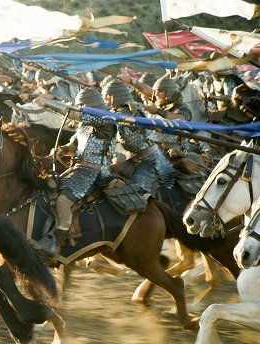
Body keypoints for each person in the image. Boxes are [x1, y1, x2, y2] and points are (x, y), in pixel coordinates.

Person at [35, 88, 118, 252]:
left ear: (91, 105)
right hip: (78, 168)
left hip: (94, 173)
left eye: (82, 105)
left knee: (63, 200)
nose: (79, 108)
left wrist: (48, 104)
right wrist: (63, 150)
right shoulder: (85, 125)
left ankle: (56, 244)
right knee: (48, 187)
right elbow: (74, 146)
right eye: (79, 105)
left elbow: (75, 114)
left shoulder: (106, 121)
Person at [103, 80, 177, 194]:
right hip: (136, 158)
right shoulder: (126, 110)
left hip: (148, 160)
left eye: (106, 97)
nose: (104, 100)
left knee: (137, 193)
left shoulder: (125, 113)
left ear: (111, 96)